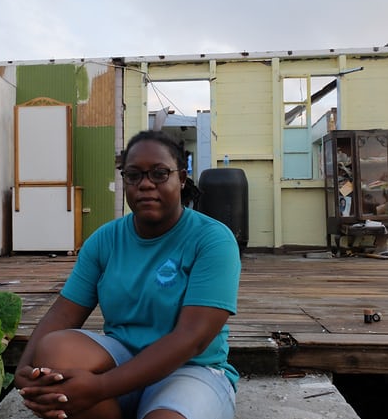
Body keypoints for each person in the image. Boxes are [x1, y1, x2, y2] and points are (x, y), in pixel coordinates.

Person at [15, 130, 241, 419]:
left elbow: (192, 338)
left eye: (159, 174)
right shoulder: (105, 239)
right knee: (55, 350)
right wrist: (23, 371)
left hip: (190, 368)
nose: (145, 184)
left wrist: (99, 387)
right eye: (133, 175)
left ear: (182, 178)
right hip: (123, 358)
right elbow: (62, 315)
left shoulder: (211, 240)